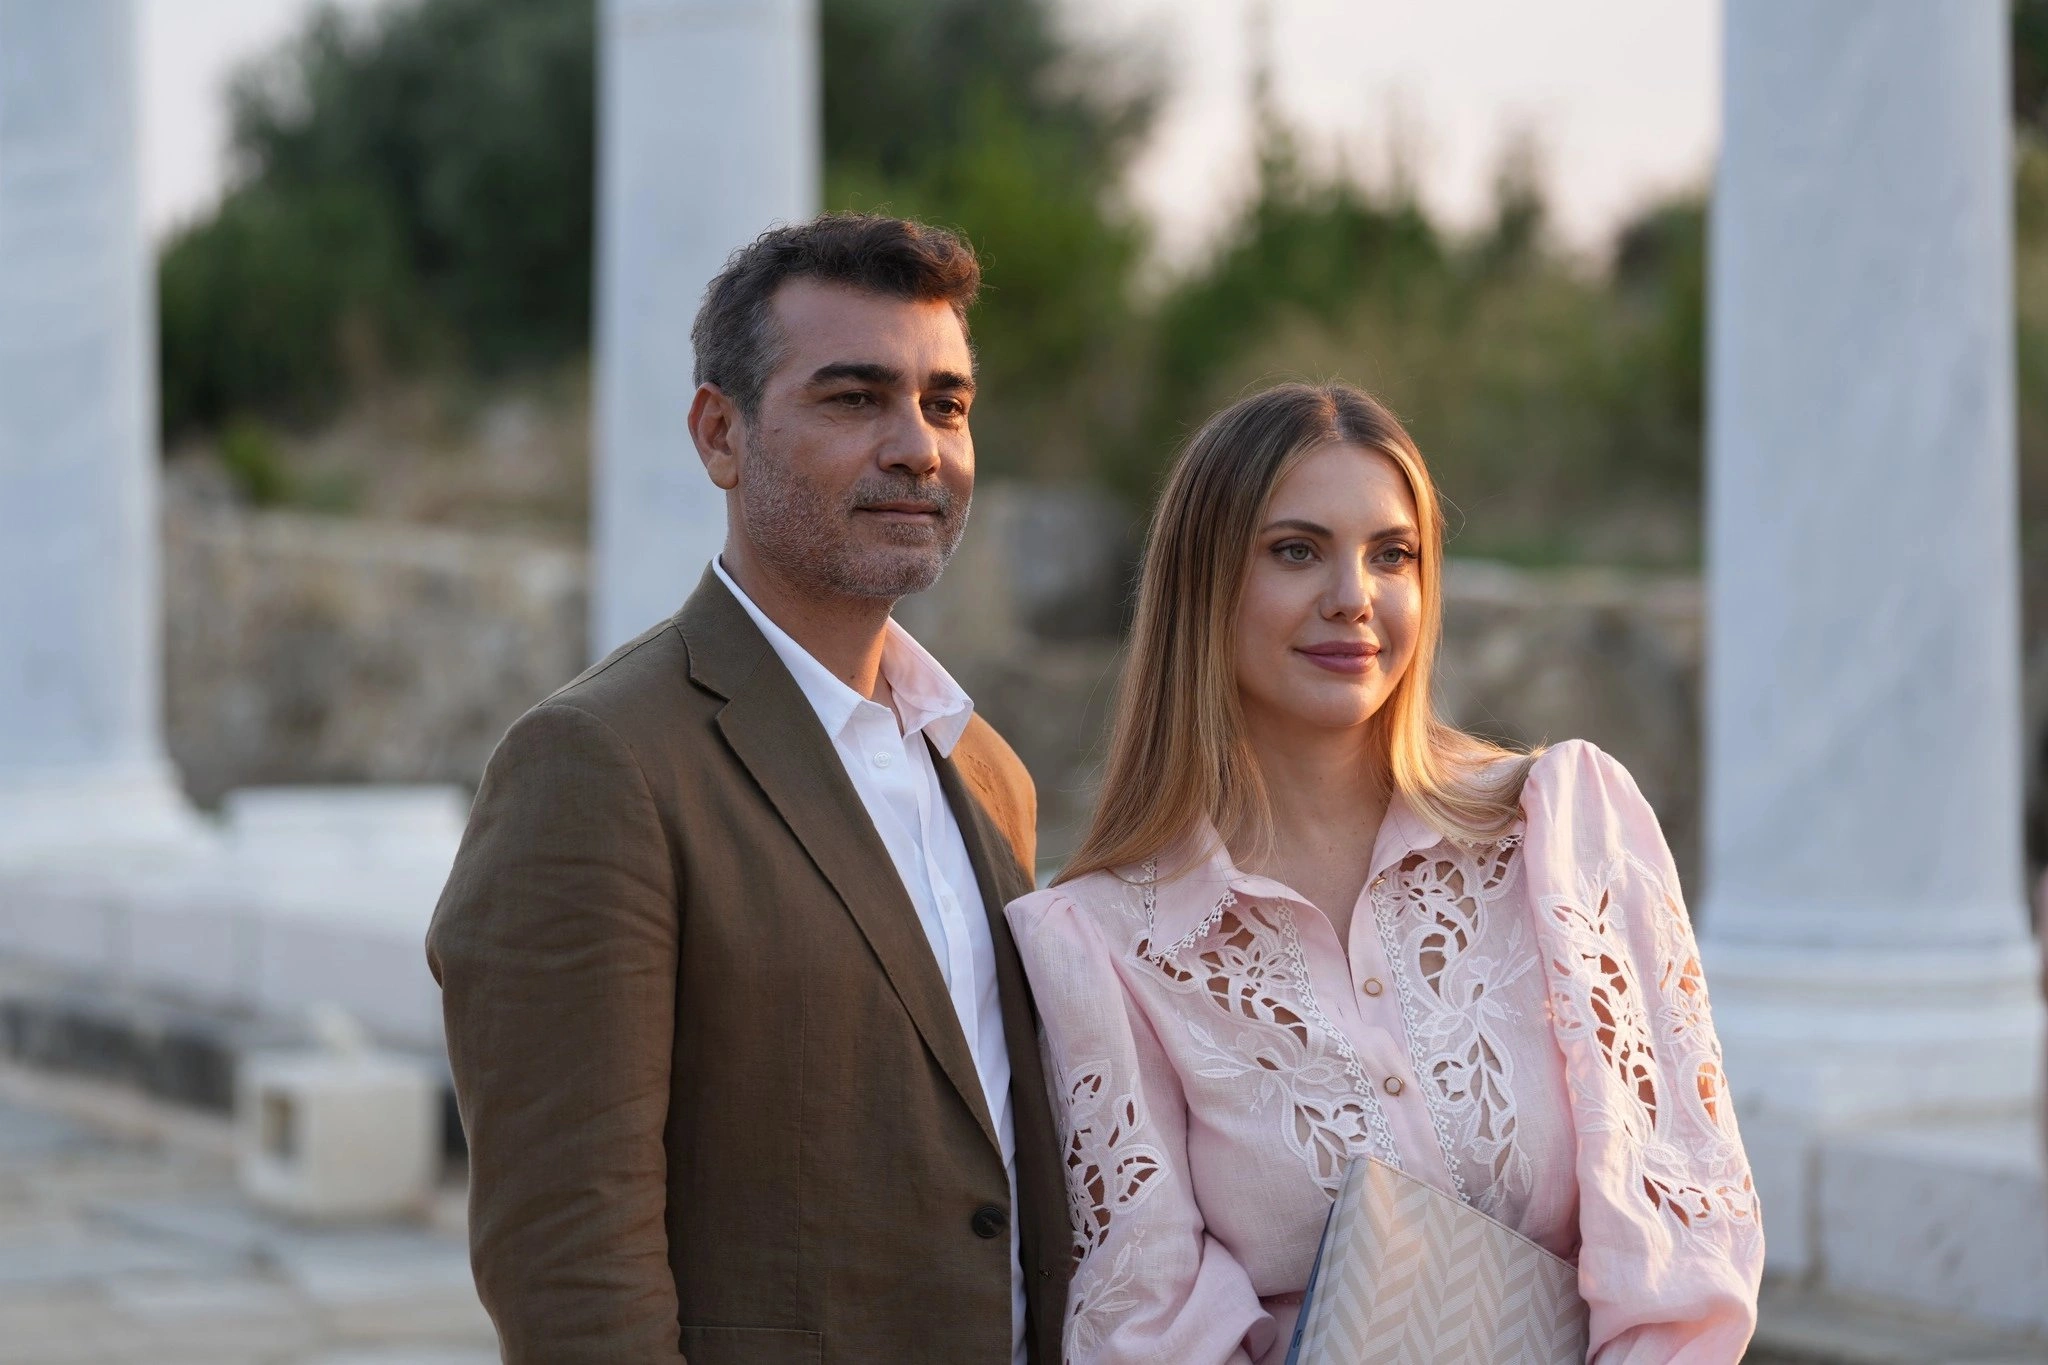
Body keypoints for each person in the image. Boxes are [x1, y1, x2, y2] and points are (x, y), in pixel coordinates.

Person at [1007, 382, 1764, 1363]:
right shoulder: (1103, 943)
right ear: (1203, 583)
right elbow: (1148, 1324)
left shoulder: (1562, 829)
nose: (1352, 596)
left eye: (1391, 554)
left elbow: (1683, 1240)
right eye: (1295, 550)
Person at [427, 214, 1069, 1365]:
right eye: (854, 399)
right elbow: (571, 1268)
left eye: (946, 405)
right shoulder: (595, 766)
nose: (917, 448)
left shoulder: (986, 769)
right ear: (719, 434)